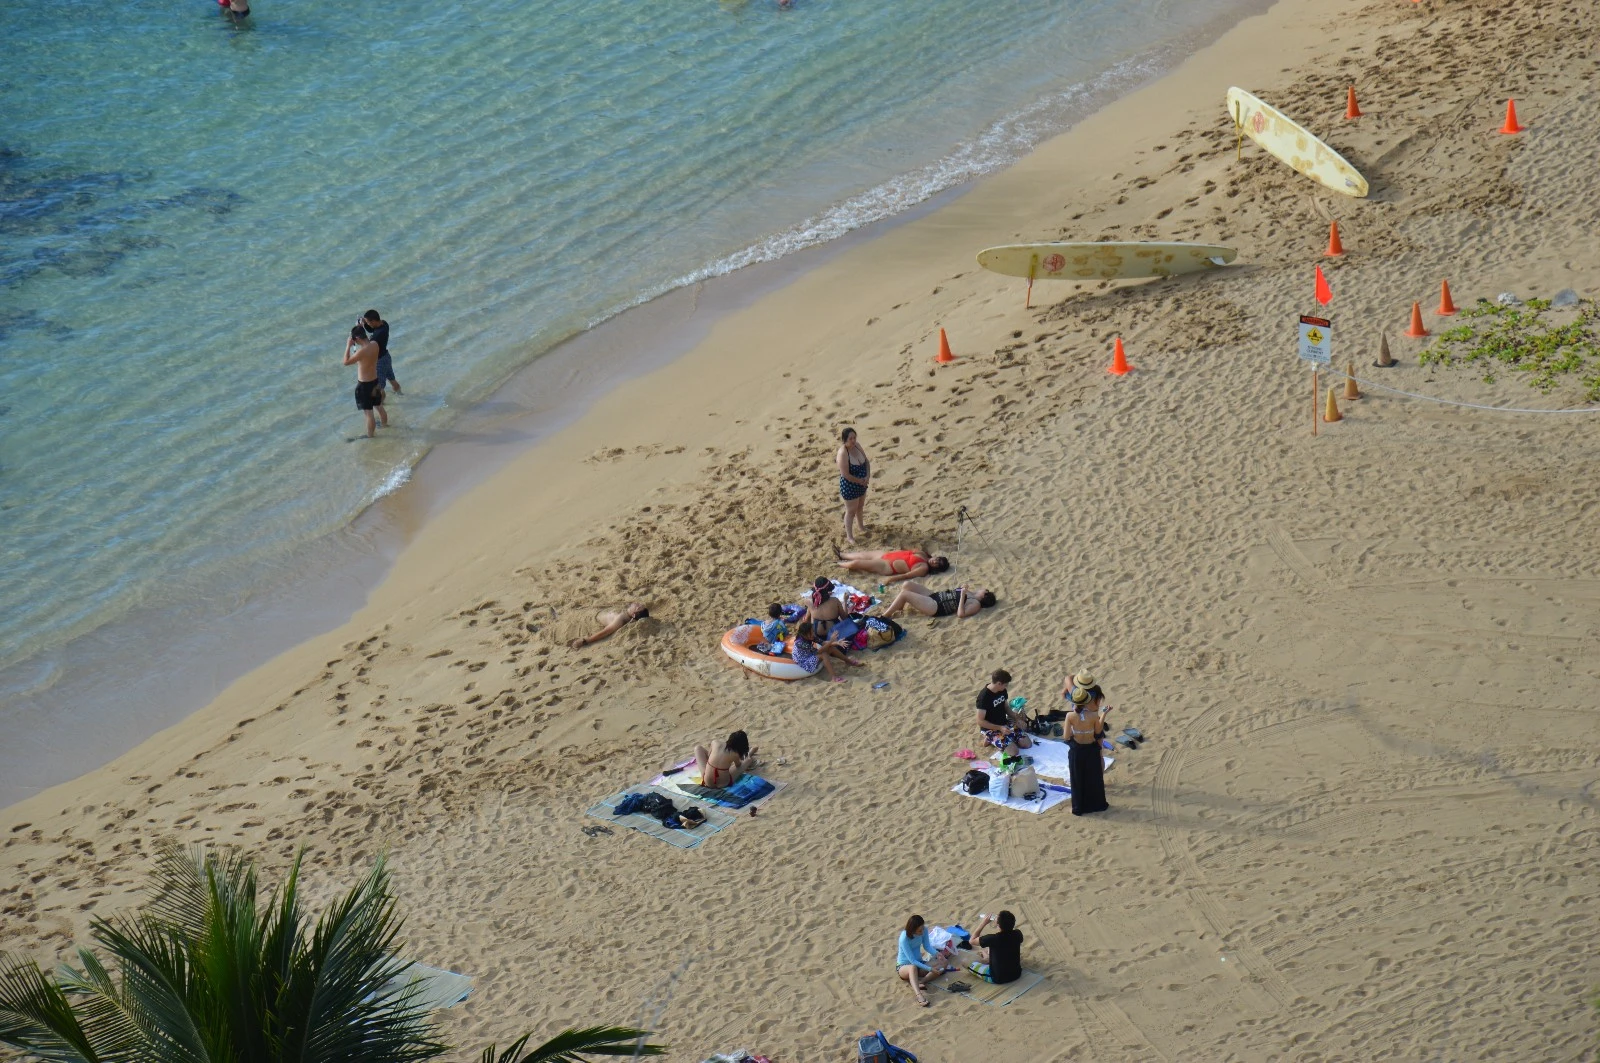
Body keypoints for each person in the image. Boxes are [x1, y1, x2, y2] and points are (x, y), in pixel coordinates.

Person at [1066, 684, 1109, 815]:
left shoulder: (1070, 716)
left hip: (1078, 750)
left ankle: (1079, 807)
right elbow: (1098, 731)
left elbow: (1066, 736)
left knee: (1077, 778)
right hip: (1091, 749)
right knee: (1094, 778)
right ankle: (1097, 805)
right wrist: (1104, 714)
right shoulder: (1093, 715)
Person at [896, 915, 955, 1007]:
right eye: (919, 930)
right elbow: (912, 961)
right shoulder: (904, 938)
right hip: (904, 966)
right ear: (912, 929)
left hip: (920, 963)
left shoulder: (924, 930)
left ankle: (922, 981)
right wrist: (930, 969)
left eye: (922, 929)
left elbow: (927, 946)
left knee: (944, 963)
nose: (922, 932)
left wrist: (938, 954)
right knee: (913, 967)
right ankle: (919, 995)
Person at [343, 326, 388, 437]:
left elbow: (346, 362)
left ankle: (371, 436)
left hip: (364, 386)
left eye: (355, 339)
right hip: (375, 382)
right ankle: (385, 426)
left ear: (357, 338)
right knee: (379, 407)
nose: (355, 342)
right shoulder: (375, 344)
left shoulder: (361, 352)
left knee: (369, 414)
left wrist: (348, 346)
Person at [878, 580, 997, 620]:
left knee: (905, 594)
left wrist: (962, 596)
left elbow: (961, 614)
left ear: (984, 596)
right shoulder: (971, 593)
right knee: (907, 585)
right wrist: (962, 588)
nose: (982, 589)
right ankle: (898, 607)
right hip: (935, 596)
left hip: (936, 606)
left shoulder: (976, 604)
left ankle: (885, 615)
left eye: (984, 590)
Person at [976, 670, 1032, 750]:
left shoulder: (1001, 690)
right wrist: (1000, 728)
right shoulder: (983, 698)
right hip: (991, 729)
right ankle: (989, 738)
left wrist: (1016, 718)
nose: (1006, 687)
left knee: (1027, 744)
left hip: (1004, 724)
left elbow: (1006, 707)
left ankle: (1000, 737)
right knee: (1014, 751)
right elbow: (980, 721)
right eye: (1005, 685)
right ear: (999, 683)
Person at [792, 620, 861, 682]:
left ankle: (849, 662)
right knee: (824, 654)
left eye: (812, 631)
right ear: (804, 634)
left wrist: (837, 642)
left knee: (831, 648)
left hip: (810, 654)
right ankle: (834, 677)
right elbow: (818, 652)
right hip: (803, 660)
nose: (813, 633)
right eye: (811, 632)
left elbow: (823, 643)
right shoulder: (800, 643)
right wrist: (831, 641)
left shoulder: (810, 636)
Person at [966, 910, 1024, 985]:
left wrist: (983, 923)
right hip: (1016, 973)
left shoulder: (992, 939)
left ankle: (986, 960)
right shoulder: (1018, 934)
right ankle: (987, 958)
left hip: (997, 978)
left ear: (998, 924)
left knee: (965, 962)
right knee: (990, 949)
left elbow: (971, 941)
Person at [836, 427, 870, 545]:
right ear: (845, 439)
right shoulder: (843, 453)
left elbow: (866, 462)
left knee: (860, 507)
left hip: (862, 483)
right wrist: (859, 481)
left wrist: (868, 476)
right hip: (850, 486)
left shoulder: (857, 446)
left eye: (854, 438)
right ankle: (849, 537)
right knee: (851, 511)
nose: (853, 440)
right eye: (850, 438)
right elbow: (845, 474)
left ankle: (861, 527)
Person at [835, 548, 949, 583]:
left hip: (887, 566)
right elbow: (904, 551)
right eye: (937, 560)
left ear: (935, 568)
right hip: (888, 556)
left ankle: (839, 564)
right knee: (862, 554)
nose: (934, 562)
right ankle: (842, 555)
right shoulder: (923, 553)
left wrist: (891, 579)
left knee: (858, 563)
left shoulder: (923, 568)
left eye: (936, 564)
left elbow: (907, 576)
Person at [567, 603, 649, 649]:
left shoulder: (621, 619)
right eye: (640, 605)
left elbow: (605, 632)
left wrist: (585, 641)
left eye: (638, 607)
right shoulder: (627, 615)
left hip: (591, 619)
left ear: (633, 614)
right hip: (596, 611)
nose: (638, 604)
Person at [360, 310, 401, 395]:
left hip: (380, 362)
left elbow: (367, 346)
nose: (368, 324)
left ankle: (381, 405)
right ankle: (400, 394)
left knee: (379, 388)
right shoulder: (384, 324)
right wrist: (364, 324)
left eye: (368, 322)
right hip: (386, 357)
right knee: (392, 380)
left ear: (373, 321)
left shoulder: (377, 335)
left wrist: (360, 329)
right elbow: (372, 329)